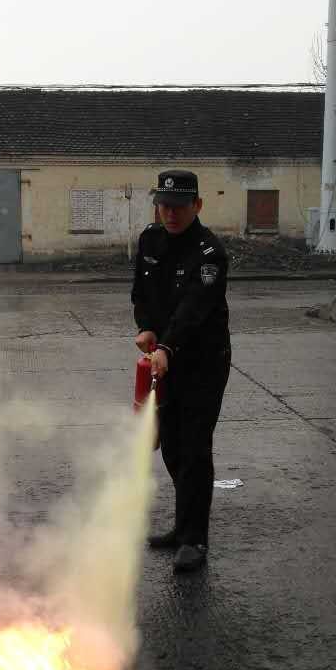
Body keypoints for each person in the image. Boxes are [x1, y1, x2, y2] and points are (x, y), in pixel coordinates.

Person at [131, 169, 231, 573]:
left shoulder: (210, 253)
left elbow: (194, 308)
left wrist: (168, 345)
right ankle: (181, 527)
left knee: (194, 448)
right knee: (171, 446)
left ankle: (195, 539)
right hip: (164, 359)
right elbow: (141, 293)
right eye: (164, 206)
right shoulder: (150, 240)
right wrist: (145, 327)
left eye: (179, 206)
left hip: (203, 361)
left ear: (197, 205)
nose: (170, 214)